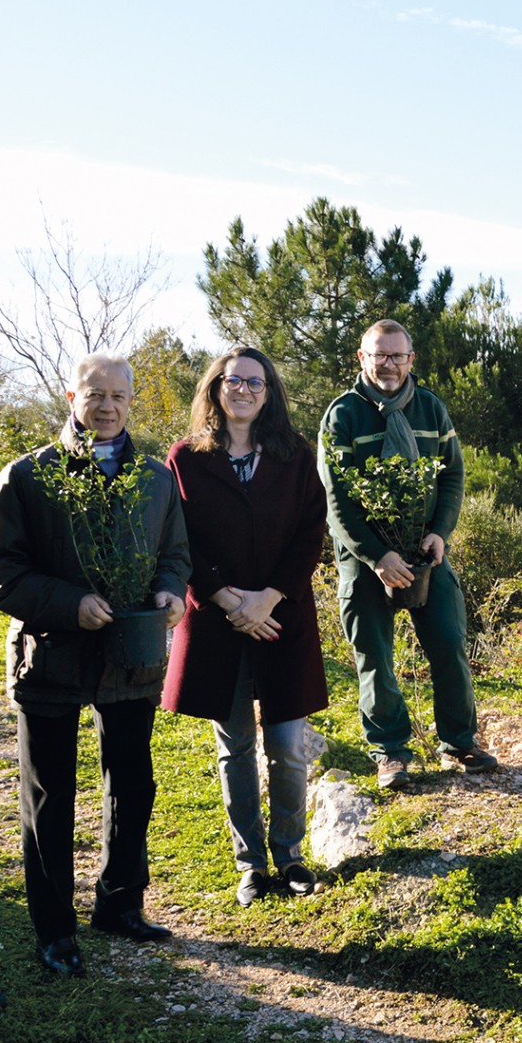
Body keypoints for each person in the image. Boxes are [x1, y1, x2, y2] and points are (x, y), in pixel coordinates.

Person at [0, 353, 190, 979]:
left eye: (119, 397)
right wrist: (72, 604)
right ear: (71, 395)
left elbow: (174, 553)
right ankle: (55, 932)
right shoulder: (27, 477)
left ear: (132, 402)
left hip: (131, 658)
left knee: (134, 785)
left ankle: (120, 905)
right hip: (52, 657)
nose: (107, 407)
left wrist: (170, 592)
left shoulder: (155, 479)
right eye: (94, 395)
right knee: (50, 796)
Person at [163, 348, 329, 907]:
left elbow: (311, 532)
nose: (244, 389)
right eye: (232, 380)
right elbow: (179, 537)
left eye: (255, 382)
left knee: (287, 744)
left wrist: (269, 598)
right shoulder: (186, 458)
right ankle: (250, 864)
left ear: (269, 392)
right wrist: (230, 600)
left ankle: (291, 856)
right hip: (217, 620)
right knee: (236, 749)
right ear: (214, 389)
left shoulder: (294, 454)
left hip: (282, 617)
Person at [319, 319, 496, 790]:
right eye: (380, 355)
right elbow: (336, 501)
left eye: (398, 355)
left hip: (424, 548)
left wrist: (440, 532)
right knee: (374, 655)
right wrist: (377, 557)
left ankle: (459, 741)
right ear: (363, 358)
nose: (389, 364)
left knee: (448, 641)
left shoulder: (431, 409)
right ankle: (391, 752)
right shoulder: (343, 416)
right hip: (366, 557)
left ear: (411, 359)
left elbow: (453, 476)